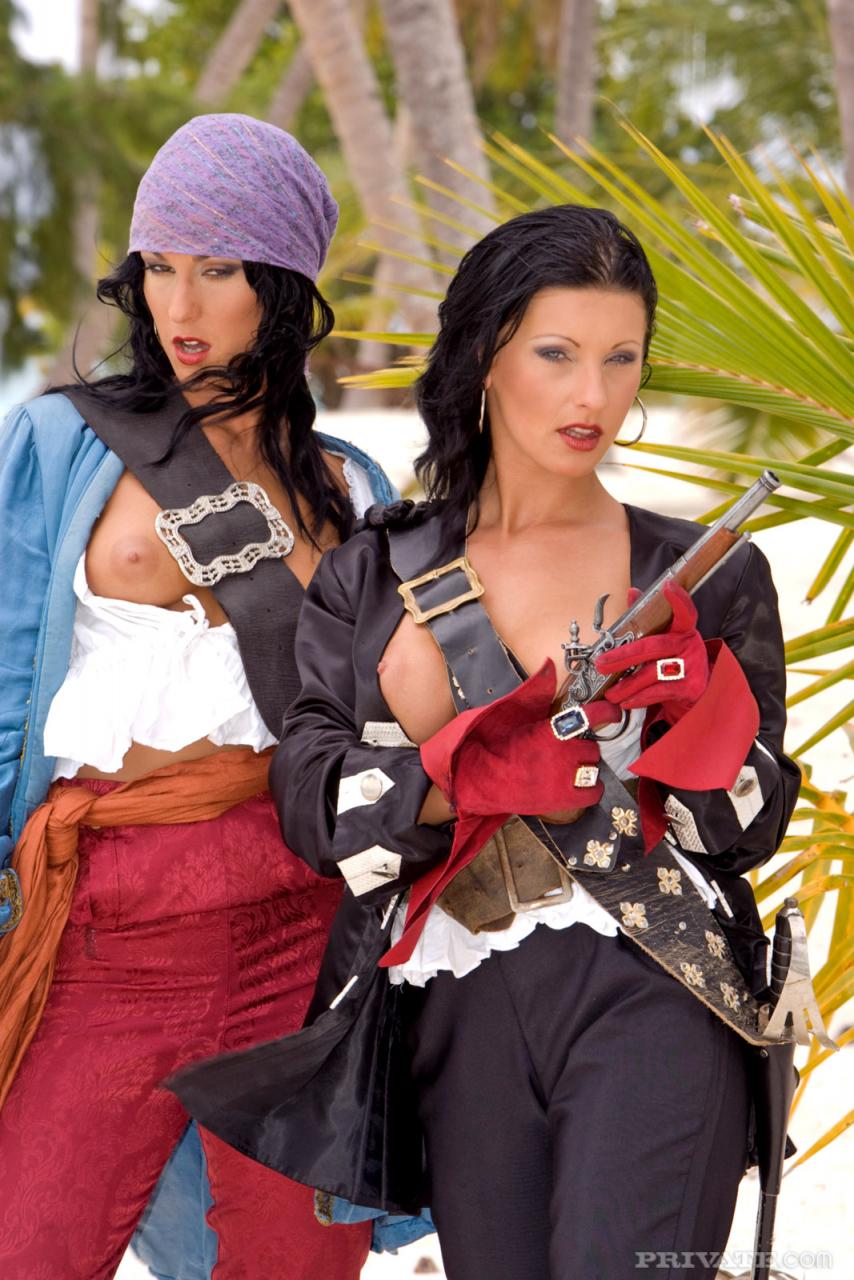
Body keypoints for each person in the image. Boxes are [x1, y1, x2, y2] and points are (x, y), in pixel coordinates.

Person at [170, 205, 801, 1280]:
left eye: (621, 358)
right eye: (557, 353)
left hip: (658, 985)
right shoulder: (374, 575)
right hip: (454, 1008)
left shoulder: (706, 572)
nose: (593, 394)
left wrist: (692, 723)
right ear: (484, 356)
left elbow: (745, 830)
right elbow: (310, 805)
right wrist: (454, 773)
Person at [0, 113, 395, 1279]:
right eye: (159, 265)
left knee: (295, 1263)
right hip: (107, 922)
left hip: (299, 926)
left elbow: (385, 719)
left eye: (218, 269)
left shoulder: (351, 488)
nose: (180, 304)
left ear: (282, 285)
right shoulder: (58, 445)